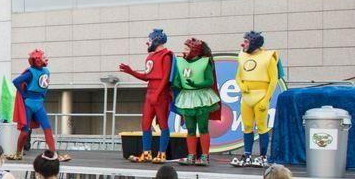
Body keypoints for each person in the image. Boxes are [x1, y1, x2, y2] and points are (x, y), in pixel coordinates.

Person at [119, 28, 175, 163]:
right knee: (145, 123)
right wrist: (131, 71)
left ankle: (162, 153)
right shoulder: (150, 57)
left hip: (160, 93)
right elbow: (146, 76)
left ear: (156, 40)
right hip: (150, 92)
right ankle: (147, 152)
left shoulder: (166, 55)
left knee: (163, 123)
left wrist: (158, 93)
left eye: (150, 40)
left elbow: (166, 77)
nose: (147, 43)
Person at [232, 31, 286, 168]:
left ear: (254, 43)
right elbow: (238, 76)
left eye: (246, 42)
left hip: (261, 95)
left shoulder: (268, 57)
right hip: (246, 97)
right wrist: (241, 85)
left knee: (262, 127)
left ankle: (262, 156)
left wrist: (266, 98)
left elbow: (273, 80)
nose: (242, 44)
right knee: (247, 126)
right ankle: (247, 154)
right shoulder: (242, 56)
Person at [172, 38, 221, 166]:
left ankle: (205, 156)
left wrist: (196, 84)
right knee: (190, 129)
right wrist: (174, 84)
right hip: (186, 97)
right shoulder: (180, 61)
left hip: (201, 97)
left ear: (194, 50)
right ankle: (191, 155)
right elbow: (178, 78)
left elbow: (209, 81)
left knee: (203, 128)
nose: (184, 51)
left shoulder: (205, 62)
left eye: (187, 49)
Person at [13, 48, 67, 158]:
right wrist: (24, 94)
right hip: (29, 104)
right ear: (37, 60)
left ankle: (53, 153)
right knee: (24, 132)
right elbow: (16, 81)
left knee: (47, 128)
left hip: (38, 103)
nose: (45, 58)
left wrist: (39, 95)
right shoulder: (30, 72)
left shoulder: (45, 71)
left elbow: (43, 85)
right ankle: (18, 153)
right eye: (42, 57)